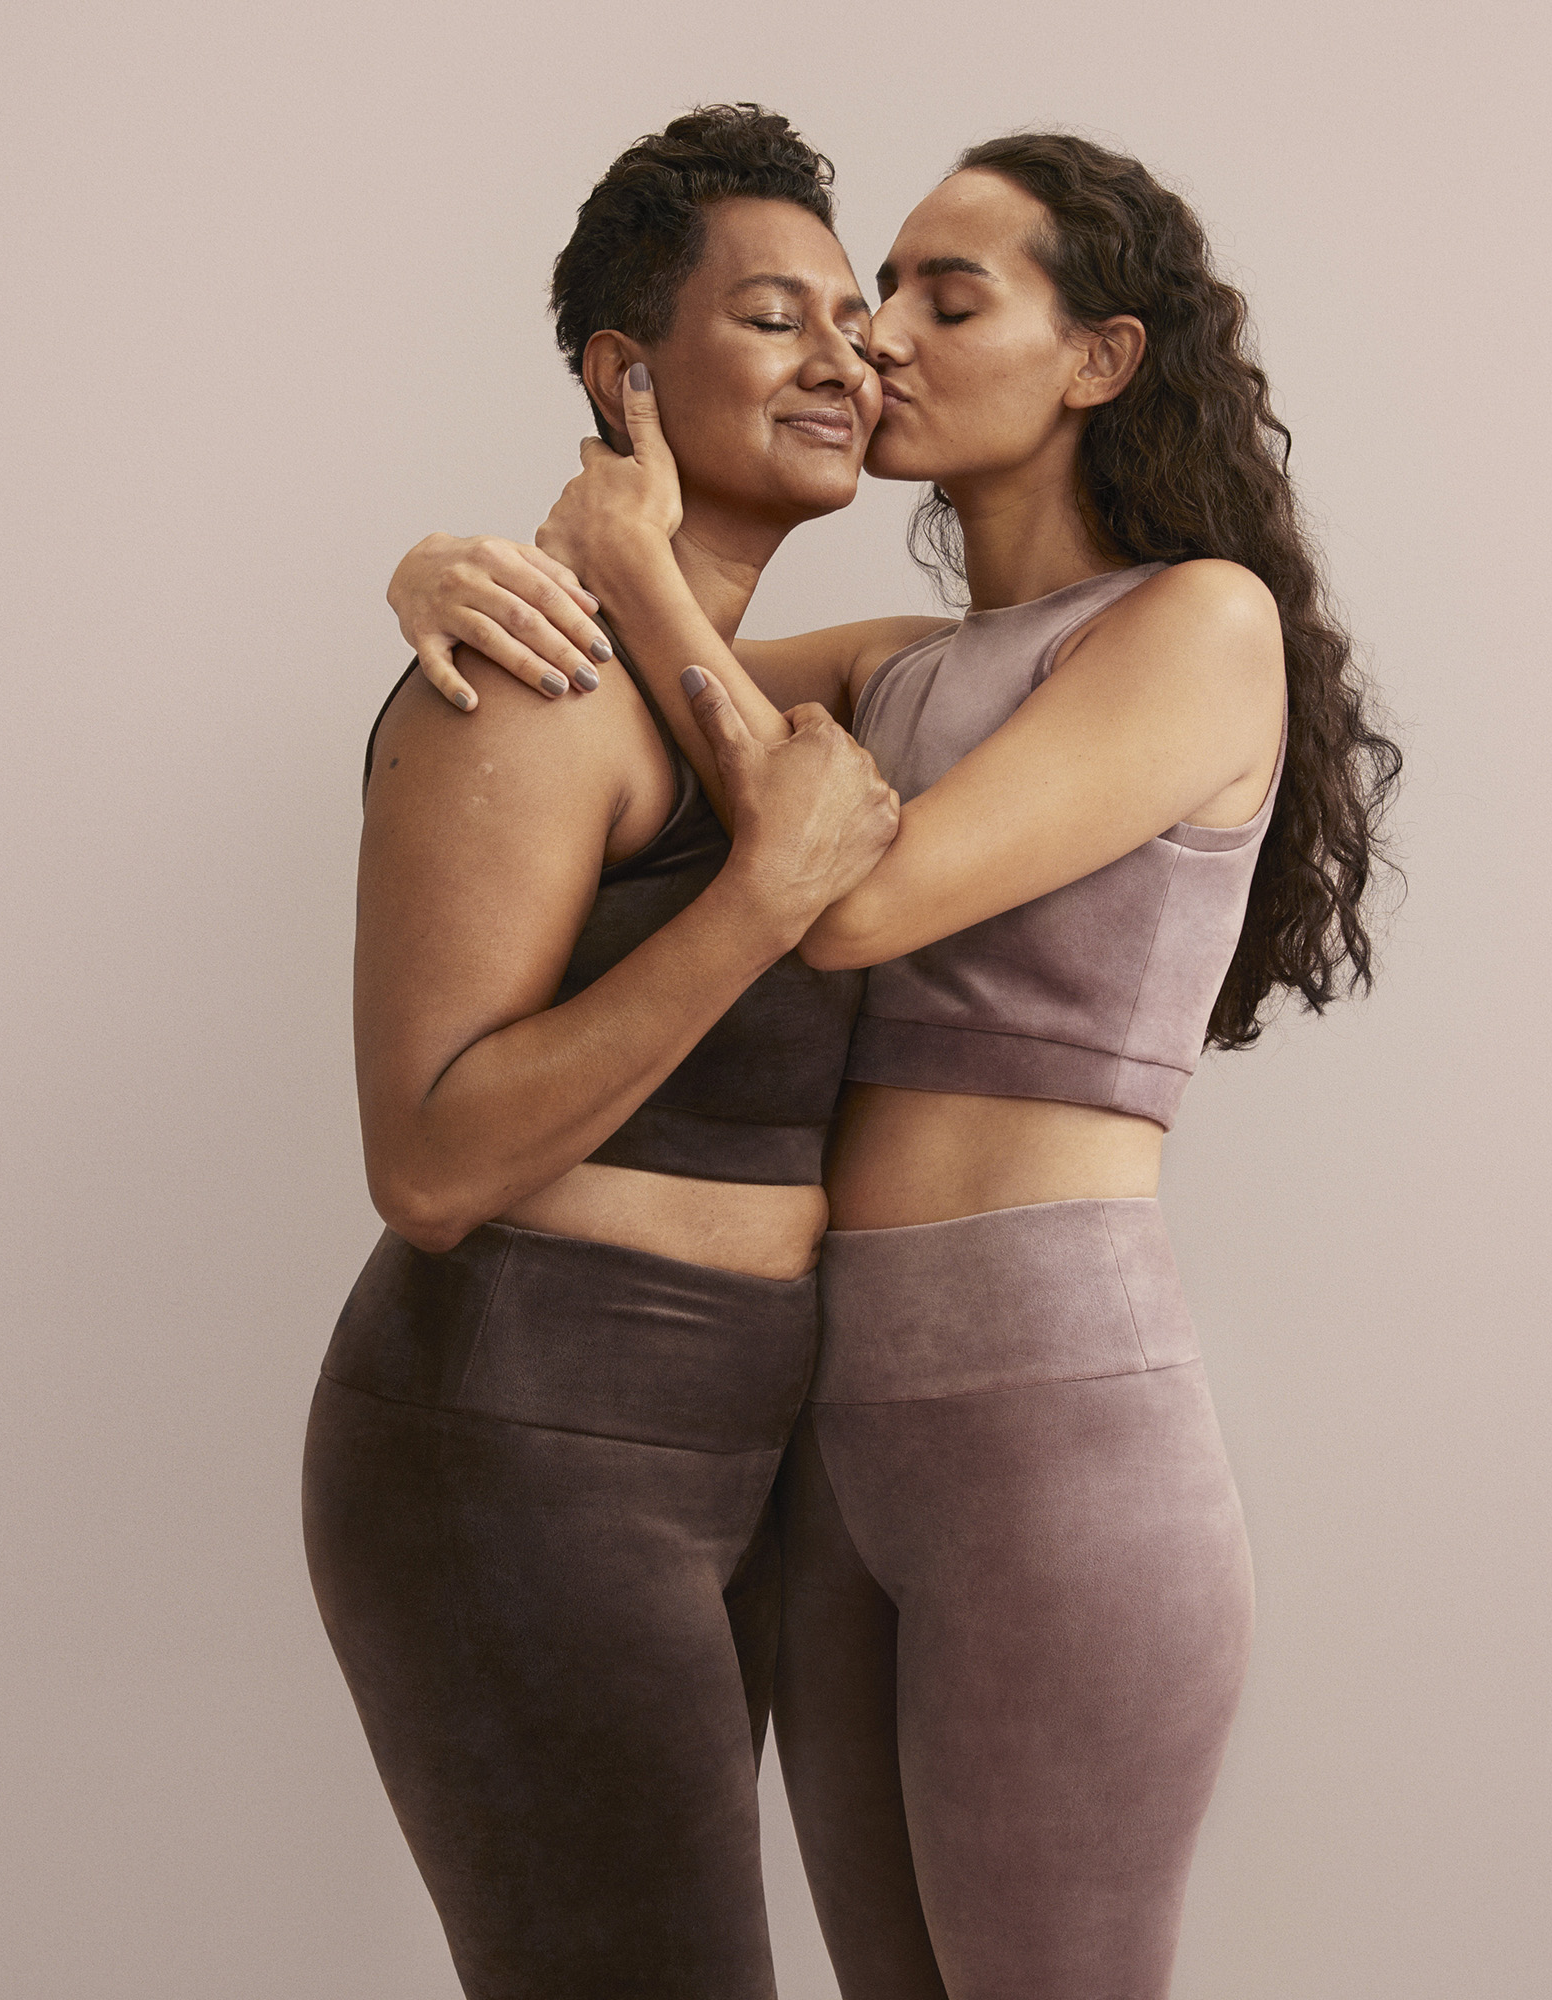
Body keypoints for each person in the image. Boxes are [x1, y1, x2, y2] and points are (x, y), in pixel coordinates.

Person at [389, 131, 1400, 1998]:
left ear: (1099, 358)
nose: (880, 345)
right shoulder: (909, 671)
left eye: (949, 297)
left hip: (1052, 1414)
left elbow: (846, 895)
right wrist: (445, 572)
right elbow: (632, 696)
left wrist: (629, 566)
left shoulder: (1198, 623)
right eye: (877, 299)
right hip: (829, 1426)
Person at [302, 106, 905, 1999]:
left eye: (857, 319)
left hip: (744, 1438)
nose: (845, 359)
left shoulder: (780, 686)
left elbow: (1075, 643)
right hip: (525, 1443)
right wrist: (759, 898)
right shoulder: (529, 687)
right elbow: (429, 1161)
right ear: (623, 375)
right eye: (776, 318)